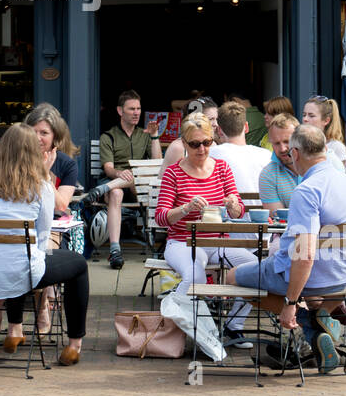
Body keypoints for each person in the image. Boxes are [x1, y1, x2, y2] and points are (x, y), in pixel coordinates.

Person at [227, 124, 346, 374]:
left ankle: (308, 325)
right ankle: (319, 322)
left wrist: (291, 303)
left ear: (296, 154)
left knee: (231, 277)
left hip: (305, 278)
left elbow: (305, 254)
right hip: (340, 279)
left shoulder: (307, 190)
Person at [0, 123, 90, 366]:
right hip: (23, 273)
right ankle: (74, 345)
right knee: (77, 265)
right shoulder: (40, 185)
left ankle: (14, 330)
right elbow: (42, 238)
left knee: (16, 258)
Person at [154, 112, 253, 341]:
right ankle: (182, 329)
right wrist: (186, 209)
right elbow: (161, 218)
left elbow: (239, 211)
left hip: (218, 241)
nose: (202, 149)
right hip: (182, 242)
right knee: (195, 276)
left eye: (207, 143)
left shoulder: (221, 168)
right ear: (185, 144)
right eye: (195, 144)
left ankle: (233, 325)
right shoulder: (174, 173)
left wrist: (233, 205)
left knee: (255, 270)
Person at [0, 102, 79, 334]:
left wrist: (45, 175)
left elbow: (61, 205)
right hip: (16, 229)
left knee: (44, 245)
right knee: (7, 242)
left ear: (55, 137)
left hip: (52, 227)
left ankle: (42, 307)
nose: (38, 138)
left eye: (44, 133)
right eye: (33, 132)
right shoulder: (11, 162)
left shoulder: (66, 164)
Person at [80, 89, 161, 269]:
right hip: (114, 184)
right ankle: (115, 250)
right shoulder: (108, 136)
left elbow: (156, 163)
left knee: (135, 176)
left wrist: (154, 136)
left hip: (137, 188)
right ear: (120, 111)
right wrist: (119, 174)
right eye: (131, 109)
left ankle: (100, 191)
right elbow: (108, 169)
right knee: (116, 193)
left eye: (138, 108)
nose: (136, 112)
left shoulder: (144, 135)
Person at [161, 96, 219, 174]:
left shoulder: (213, 145)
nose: (216, 124)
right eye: (211, 119)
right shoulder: (178, 148)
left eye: (216, 119)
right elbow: (164, 182)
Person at [303, 95, 346, 172]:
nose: (305, 119)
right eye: (304, 115)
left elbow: (338, 179)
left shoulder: (336, 147)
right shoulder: (300, 143)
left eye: (311, 116)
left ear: (326, 121)